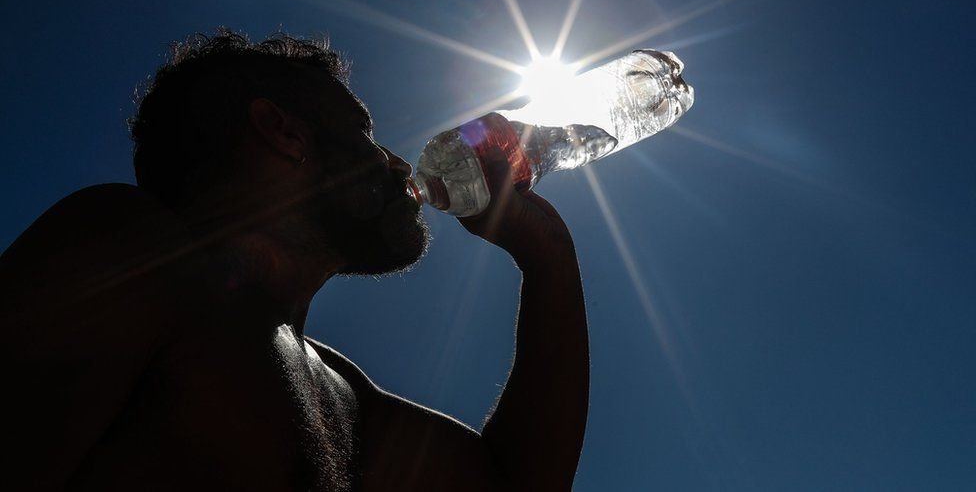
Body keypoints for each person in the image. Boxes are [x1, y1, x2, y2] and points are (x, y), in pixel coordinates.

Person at [0, 30, 588, 491]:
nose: (398, 165)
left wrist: (545, 252)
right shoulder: (127, 254)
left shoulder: (343, 393)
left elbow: (516, 483)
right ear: (284, 133)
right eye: (364, 133)